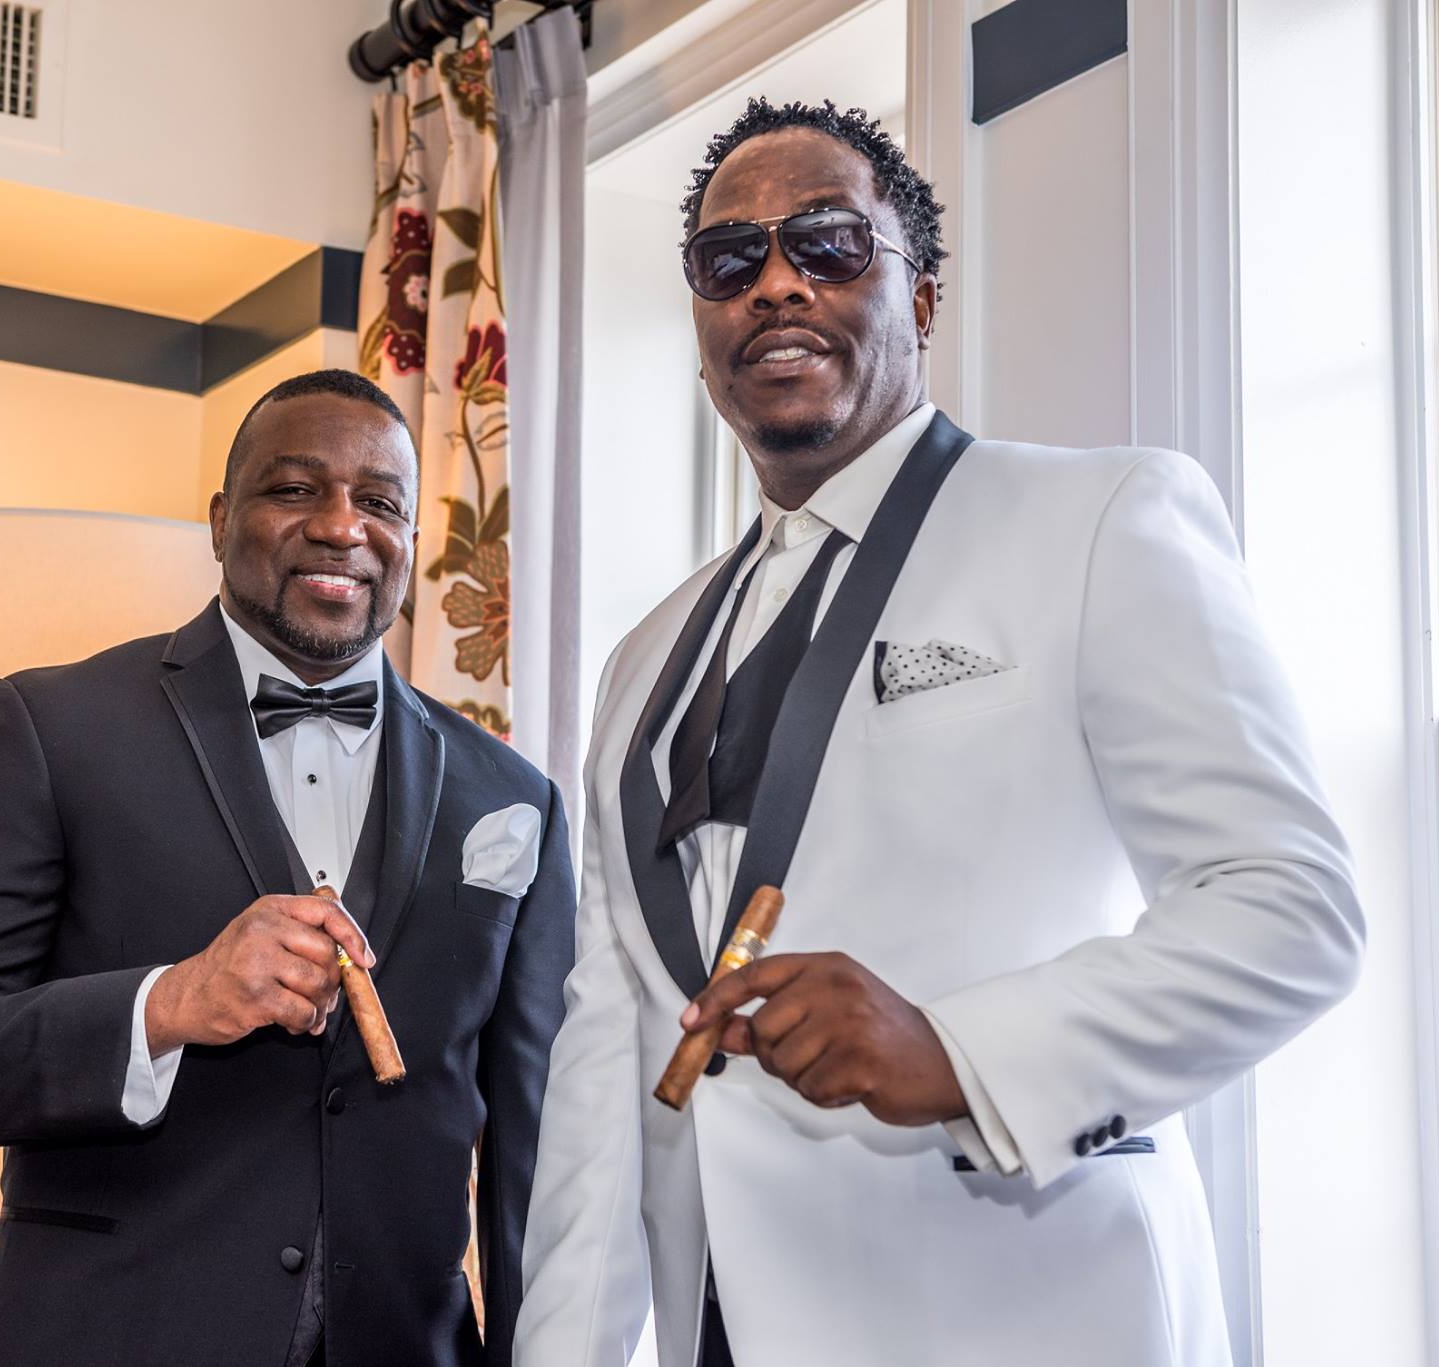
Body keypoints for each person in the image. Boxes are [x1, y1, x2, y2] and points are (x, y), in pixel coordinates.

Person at [516, 98, 1362, 1367]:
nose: (774, 283)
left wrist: (956, 1051)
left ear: (917, 300)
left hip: (1015, 1313)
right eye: (728, 260)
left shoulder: (1100, 519)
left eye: (828, 243)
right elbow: (605, 1049)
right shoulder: (641, 658)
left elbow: (1290, 909)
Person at [0, 369, 573, 1367]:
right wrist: (169, 1003)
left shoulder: (515, 794)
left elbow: (539, 1147)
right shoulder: (53, 729)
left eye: (379, 502)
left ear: (412, 539)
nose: (340, 525)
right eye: (295, 488)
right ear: (222, 520)